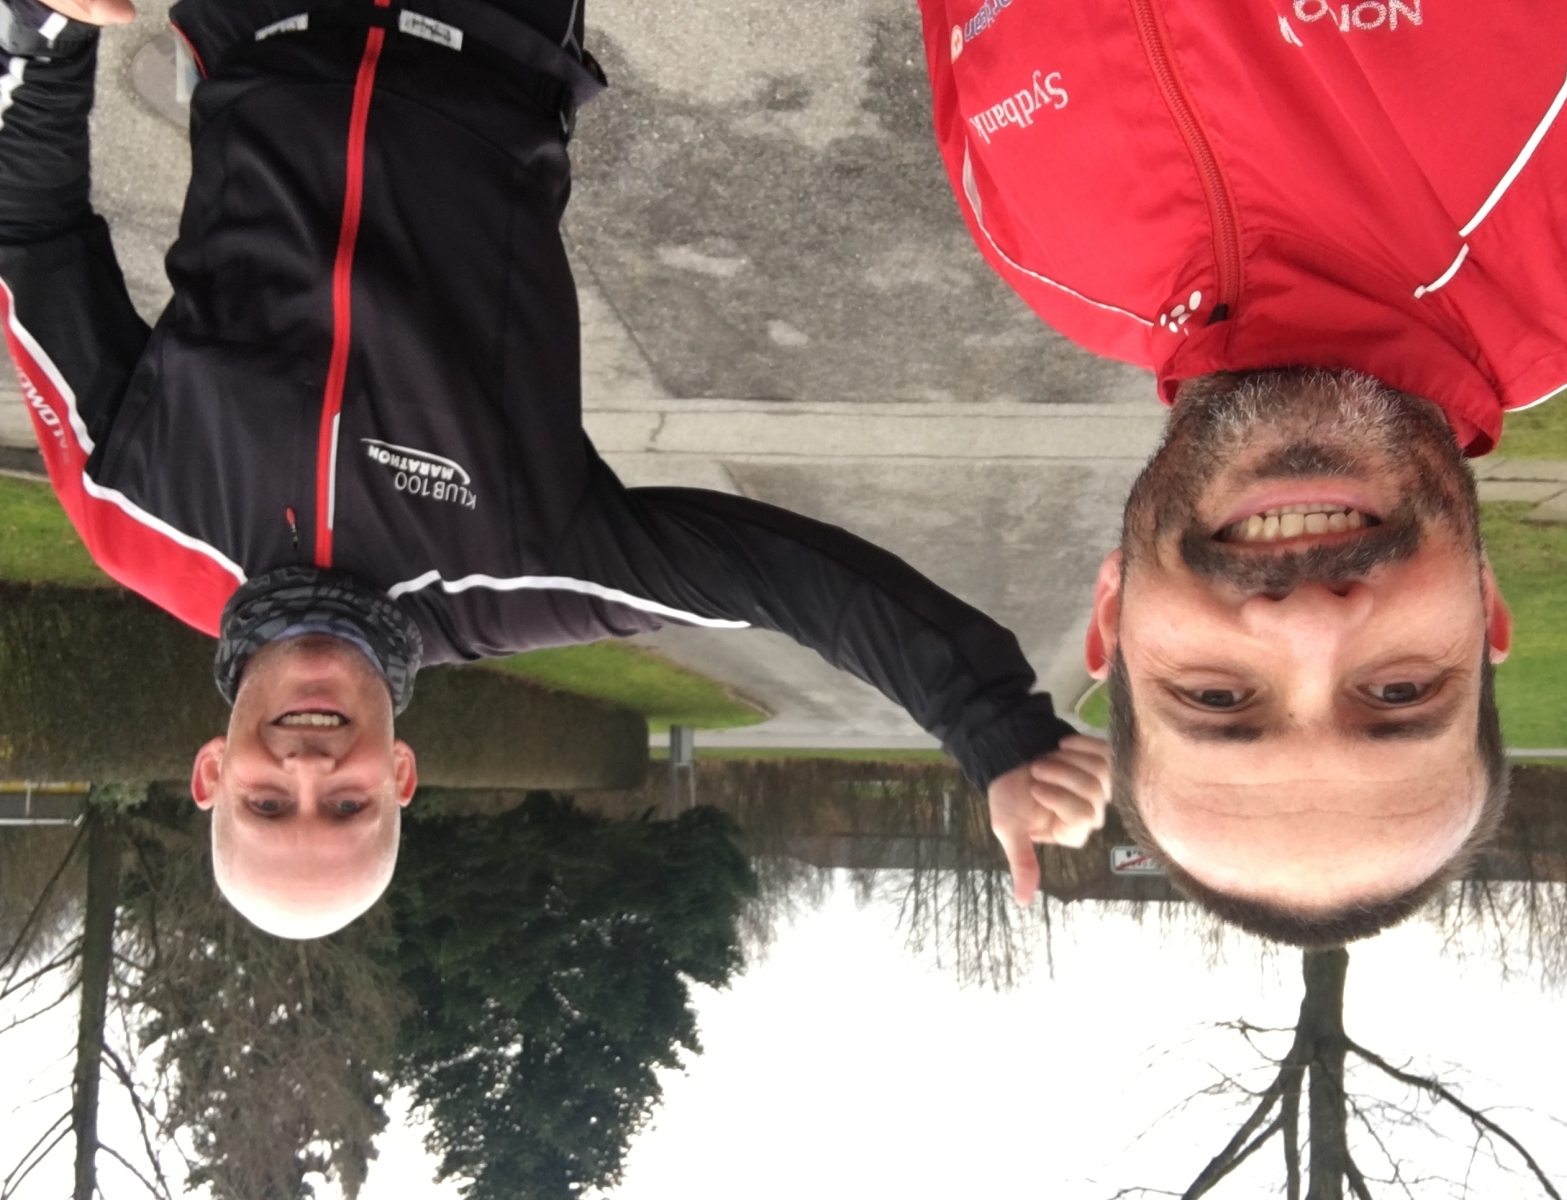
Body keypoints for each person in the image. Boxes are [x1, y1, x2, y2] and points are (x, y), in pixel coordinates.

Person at [0, 0, 1113, 938]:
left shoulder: (131, 519)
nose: (308, 769)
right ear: (399, 779)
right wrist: (989, 724)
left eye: (266, 804)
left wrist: (41, 29)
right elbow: (780, 581)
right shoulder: (524, 573)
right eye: (345, 808)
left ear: (211, 774)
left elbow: (31, 240)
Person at [914, 0, 1567, 945]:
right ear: (1485, 609)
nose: (1310, 624)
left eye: (1216, 699)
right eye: (1400, 693)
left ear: (1113, 617)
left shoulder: (1040, 261)